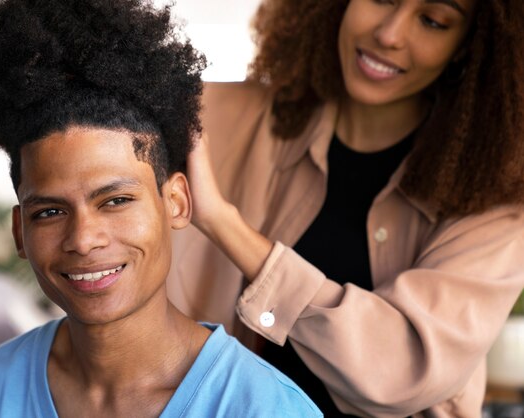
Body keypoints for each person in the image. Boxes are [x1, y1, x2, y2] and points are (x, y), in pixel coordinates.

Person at [0, 0, 323, 417]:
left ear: (176, 202)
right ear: (19, 232)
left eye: (116, 201)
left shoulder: (264, 407)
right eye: (49, 212)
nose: (83, 240)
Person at [166, 0, 524, 416]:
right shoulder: (210, 118)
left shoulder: (493, 198)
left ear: (470, 45)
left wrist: (222, 222)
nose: (389, 34)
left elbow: (402, 369)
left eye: (432, 20)